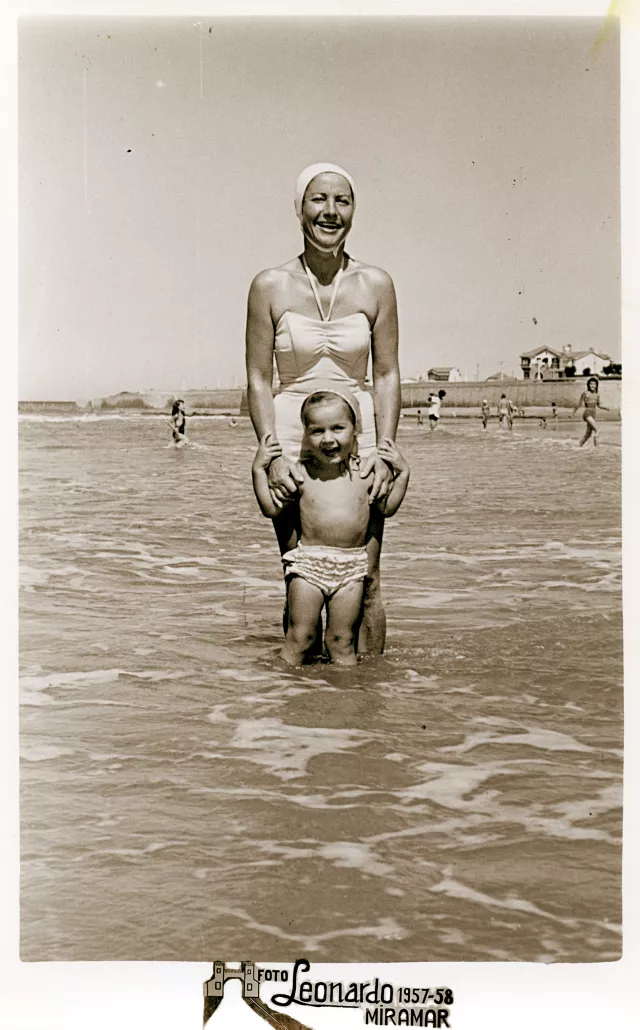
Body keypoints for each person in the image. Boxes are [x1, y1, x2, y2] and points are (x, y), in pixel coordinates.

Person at [245, 163, 401, 654]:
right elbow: (258, 376)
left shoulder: (377, 284)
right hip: (293, 439)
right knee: (300, 573)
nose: (330, 212)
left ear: (353, 211)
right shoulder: (269, 284)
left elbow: (388, 373)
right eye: (319, 199)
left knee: (366, 575)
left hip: (362, 440)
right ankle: (302, 711)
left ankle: (367, 702)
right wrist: (269, 453)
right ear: (299, 208)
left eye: (342, 200)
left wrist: (388, 449)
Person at [252, 389, 409, 665]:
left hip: (351, 571)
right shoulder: (301, 473)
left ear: (355, 430)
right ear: (305, 436)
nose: (328, 438)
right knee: (300, 638)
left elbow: (388, 508)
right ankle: (282, 696)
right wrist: (258, 470)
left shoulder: (365, 474)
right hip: (309, 567)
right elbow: (270, 508)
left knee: (342, 642)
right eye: (317, 431)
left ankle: (346, 700)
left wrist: (403, 473)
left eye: (338, 428)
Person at [572, 376, 608, 447]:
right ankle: (596, 447)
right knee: (597, 430)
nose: (592, 385)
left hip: (593, 414)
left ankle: (578, 447)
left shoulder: (597, 394)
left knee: (588, 434)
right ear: (588, 385)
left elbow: (599, 405)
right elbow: (579, 404)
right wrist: (573, 413)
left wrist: (606, 408)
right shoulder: (585, 393)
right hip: (587, 413)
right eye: (591, 384)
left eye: (594, 384)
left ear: (596, 385)